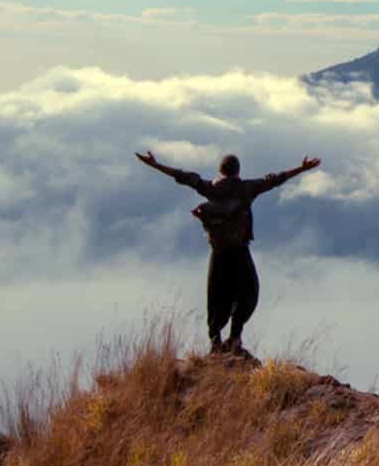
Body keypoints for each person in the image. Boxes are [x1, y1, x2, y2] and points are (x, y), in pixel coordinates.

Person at [135, 149, 321, 356]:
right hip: (240, 251)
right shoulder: (247, 188)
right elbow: (275, 179)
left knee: (216, 296)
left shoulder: (210, 188)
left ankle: (215, 341)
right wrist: (302, 168)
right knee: (248, 291)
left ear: (220, 171)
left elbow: (182, 176)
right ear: (238, 171)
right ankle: (235, 337)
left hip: (219, 252)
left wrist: (155, 164)